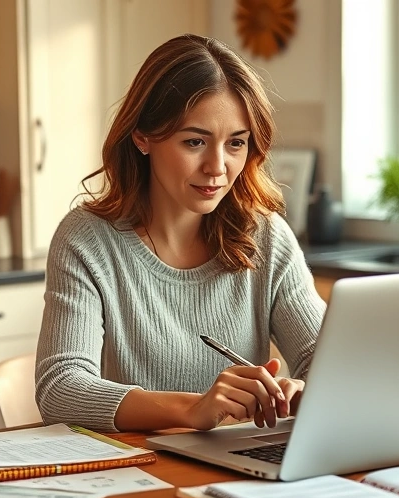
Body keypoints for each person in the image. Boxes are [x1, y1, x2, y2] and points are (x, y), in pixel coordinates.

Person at [35, 34, 326, 433]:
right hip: (138, 473)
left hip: (238, 473)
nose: (217, 167)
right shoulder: (86, 240)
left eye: (236, 143)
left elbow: (327, 359)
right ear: (143, 137)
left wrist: (304, 390)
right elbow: (60, 389)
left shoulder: (267, 237)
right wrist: (192, 409)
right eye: (195, 142)